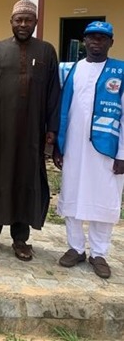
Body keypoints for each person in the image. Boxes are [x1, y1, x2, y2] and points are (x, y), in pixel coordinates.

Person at [0, 0, 60, 261]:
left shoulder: (46, 52)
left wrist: (51, 129)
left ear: (35, 22)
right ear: (11, 22)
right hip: (0, 132)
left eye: (28, 20)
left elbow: (52, 94)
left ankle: (21, 239)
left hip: (32, 134)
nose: (23, 24)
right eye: (18, 20)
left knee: (27, 181)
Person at [54, 21, 124, 279]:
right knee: (72, 195)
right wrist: (58, 147)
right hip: (73, 147)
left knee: (103, 199)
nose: (96, 42)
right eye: (92, 38)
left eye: (102, 38)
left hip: (107, 151)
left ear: (111, 42)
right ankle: (75, 248)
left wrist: (123, 155)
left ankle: (99, 253)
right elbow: (64, 110)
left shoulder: (120, 71)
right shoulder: (72, 70)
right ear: (84, 41)